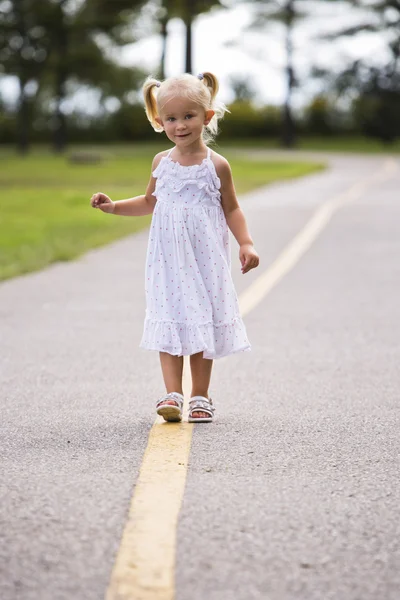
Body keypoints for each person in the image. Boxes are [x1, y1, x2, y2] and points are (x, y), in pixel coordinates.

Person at [90, 72, 259, 423]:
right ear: (158, 120)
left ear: (207, 116)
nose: (180, 125)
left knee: (200, 322)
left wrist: (246, 242)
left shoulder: (217, 165)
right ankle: (172, 395)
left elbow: (232, 208)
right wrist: (114, 206)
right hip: (167, 261)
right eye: (171, 118)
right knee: (169, 321)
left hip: (205, 260)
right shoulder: (161, 163)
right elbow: (150, 201)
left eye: (188, 116)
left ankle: (200, 396)